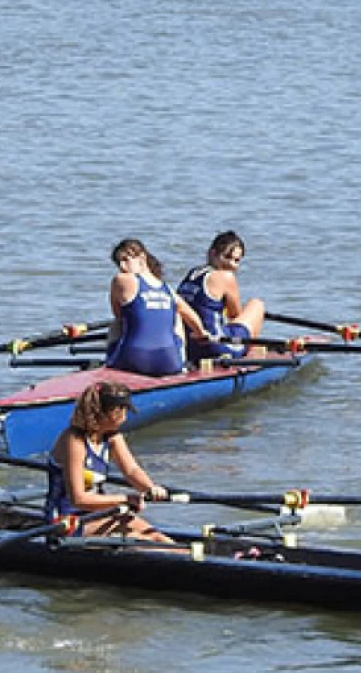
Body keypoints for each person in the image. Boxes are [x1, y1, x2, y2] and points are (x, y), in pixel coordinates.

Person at [45, 382, 171, 542]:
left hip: (97, 514)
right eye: (123, 410)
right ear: (107, 413)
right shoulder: (74, 441)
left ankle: (189, 560)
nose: (126, 416)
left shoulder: (113, 438)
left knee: (156, 536)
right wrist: (125, 499)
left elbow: (131, 470)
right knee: (138, 539)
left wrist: (151, 488)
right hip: (66, 521)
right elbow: (78, 499)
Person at [103, 238, 207, 376]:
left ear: (142, 258)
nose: (122, 266)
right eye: (119, 263)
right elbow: (194, 319)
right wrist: (202, 334)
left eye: (126, 259)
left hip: (132, 360)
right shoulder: (168, 290)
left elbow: (118, 315)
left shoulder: (121, 279)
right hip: (169, 363)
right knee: (176, 314)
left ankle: (109, 362)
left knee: (117, 324)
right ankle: (181, 364)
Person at [177, 231, 265, 363]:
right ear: (212, 253)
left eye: (237, 260)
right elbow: (235, 315)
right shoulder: (226, 276)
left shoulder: (193, 273)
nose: (232, 264)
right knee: (256, 305)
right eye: (227, 257)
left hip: (189, 348)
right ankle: (247, 356)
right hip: (217, 347)